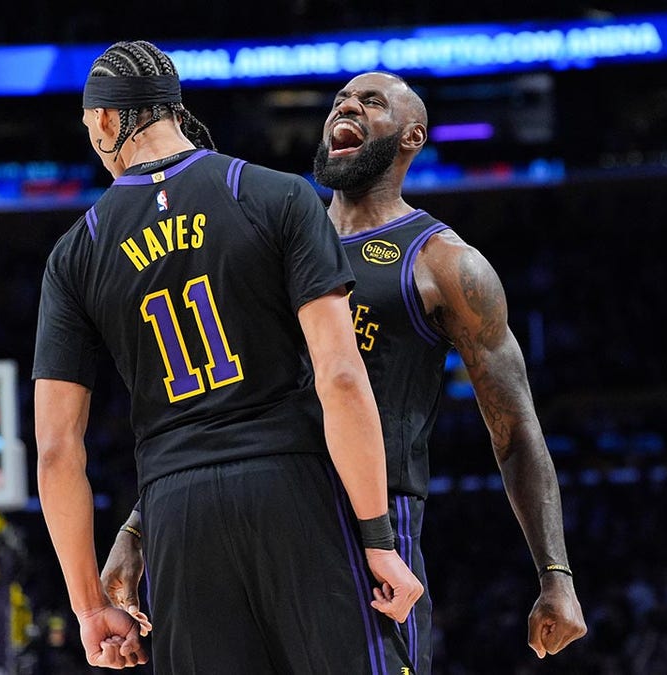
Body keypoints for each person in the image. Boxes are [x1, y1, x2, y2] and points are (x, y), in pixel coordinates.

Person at [102, 71, 588, 672]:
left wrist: (555, 574)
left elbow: (514, 431)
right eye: (340, 101)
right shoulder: (265, 237)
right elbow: (213, 399)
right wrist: (139, 528)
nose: (347, 107)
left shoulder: (444, 263)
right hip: (256, 511)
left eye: (371, 102)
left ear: (413, 136)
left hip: (370, 525)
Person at [33, 43, 423, 673]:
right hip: (292, 489)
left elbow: (56, 451)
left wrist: (87, 608)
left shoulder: (77, 251)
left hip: (176, 514)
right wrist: (378, 540)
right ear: (173, 111)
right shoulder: (276, 195)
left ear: (105, 121)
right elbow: (342, 377)